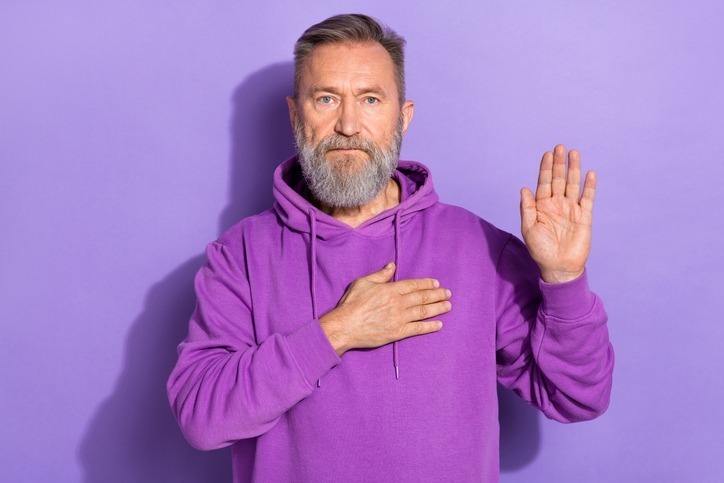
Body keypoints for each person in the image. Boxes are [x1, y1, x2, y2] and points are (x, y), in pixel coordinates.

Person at [167, 13, 614, 482]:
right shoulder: (241, 254)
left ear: (403, 117)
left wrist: (564, 280)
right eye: (326, 99)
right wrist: (337, 331)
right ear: (296, 115)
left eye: (370, 99)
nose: (348, 124)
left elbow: (578, 398)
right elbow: (202, 419)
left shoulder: (479, 248)